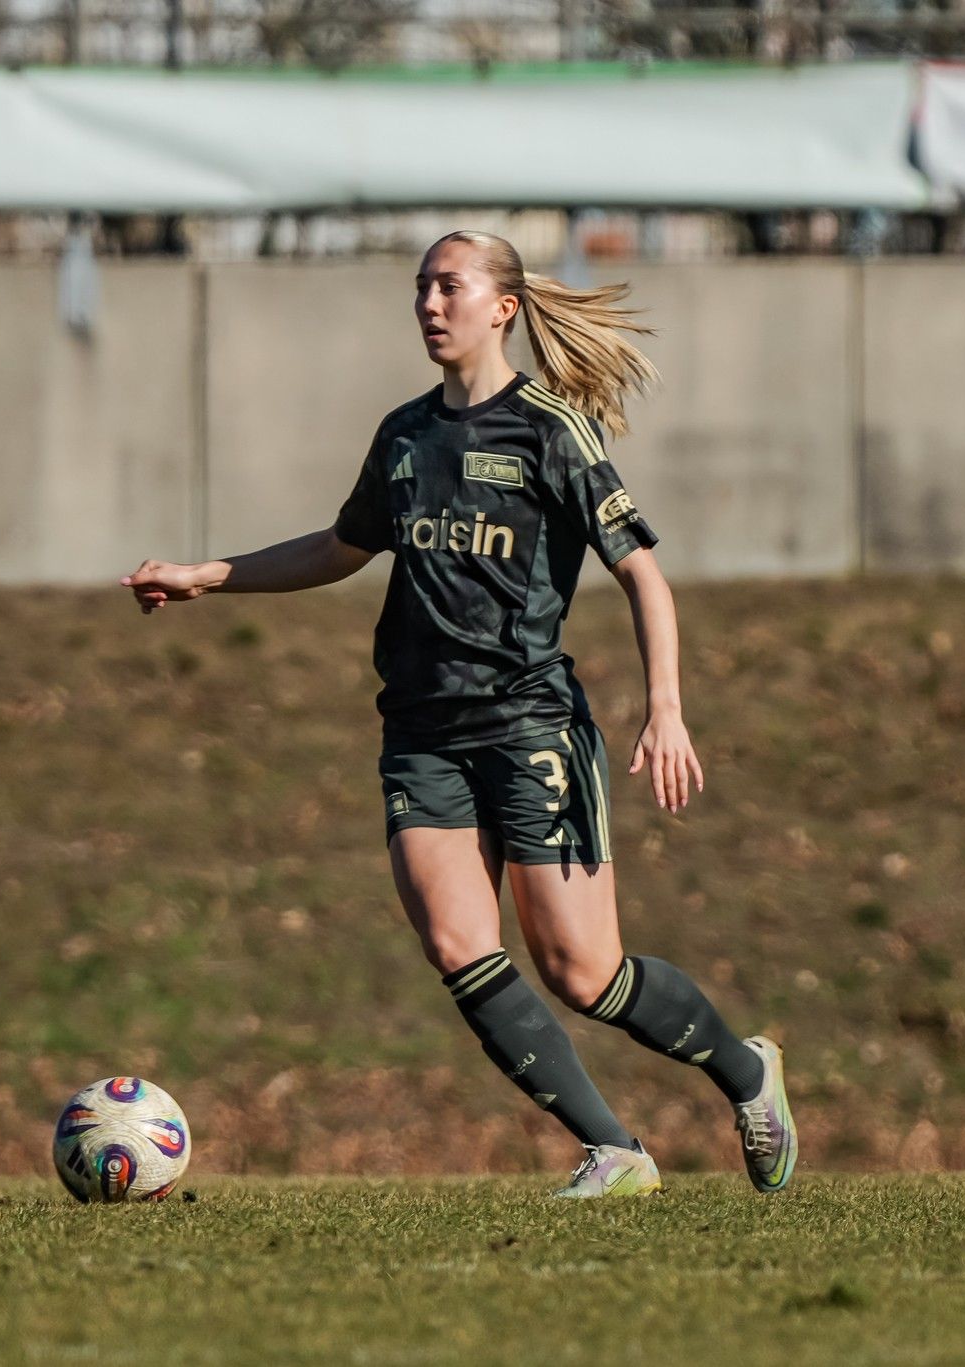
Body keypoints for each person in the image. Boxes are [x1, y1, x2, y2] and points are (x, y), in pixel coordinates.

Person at [121, 230, 795, 1197]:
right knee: (456, 945)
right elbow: (339, 548)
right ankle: (615, 1149)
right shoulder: (404, 436)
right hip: (422, 732)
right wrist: (204, 577)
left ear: (502, 307)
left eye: (450, 286)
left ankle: (746, 1070)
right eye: (421, 288)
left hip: (531, 728)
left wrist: (668, 709)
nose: (430, 304)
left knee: (583, 971)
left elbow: (643, 572)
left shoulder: (552, 430)